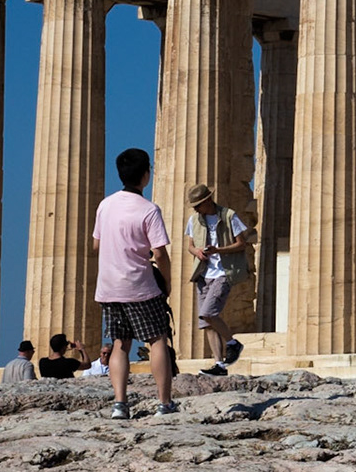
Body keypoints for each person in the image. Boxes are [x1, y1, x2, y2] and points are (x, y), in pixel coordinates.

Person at [93, 147, 178, 419]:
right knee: (157, 340)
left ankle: (120, 404)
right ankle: (164, 403)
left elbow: (96, 245)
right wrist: (167, 280)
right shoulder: (148, 209)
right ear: (146, 175)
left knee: (120, 343)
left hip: (109, 285)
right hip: (139, 285)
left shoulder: (105, 205)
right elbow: (160, 253)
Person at [184, 184, 251, 377]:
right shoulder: (194, 220)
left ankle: (232, 343)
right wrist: (197, 251)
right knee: (205, 322)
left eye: (197, 205)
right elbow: (189, 245)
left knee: (208, 313)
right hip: (203, 273)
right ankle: (219, 365)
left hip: (224, 271)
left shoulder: (230, 216)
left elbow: (241, 243)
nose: (195, 209)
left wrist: (218, 251)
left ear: (207, 201)